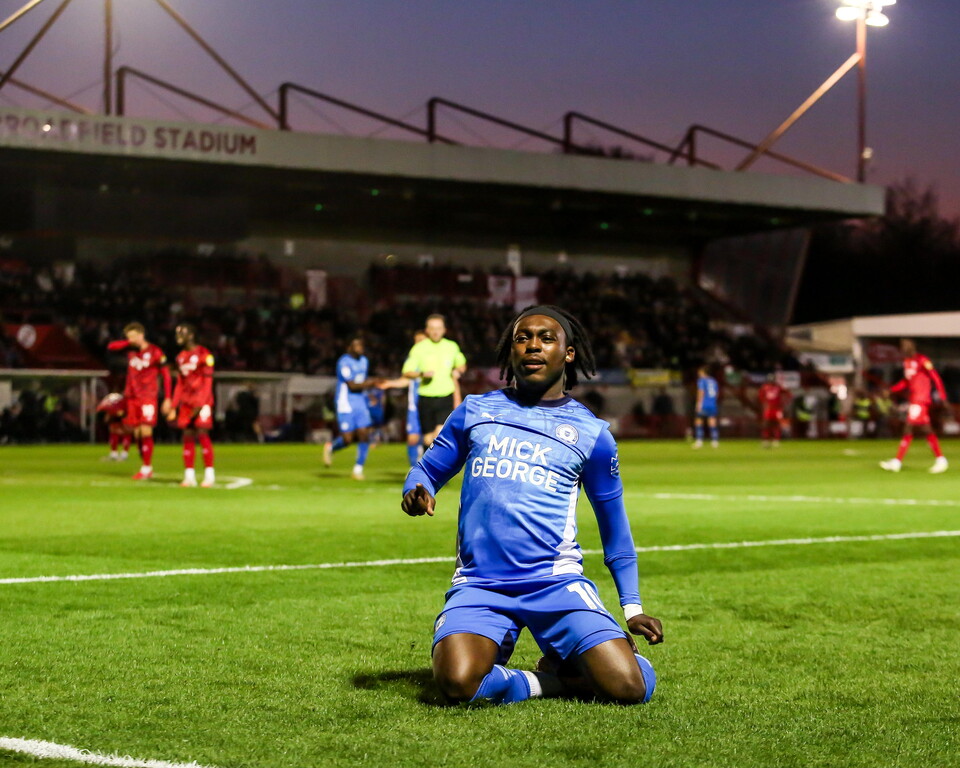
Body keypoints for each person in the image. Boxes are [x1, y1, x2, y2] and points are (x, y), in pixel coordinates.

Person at [401, 305, 663, 707]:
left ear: (568, 353)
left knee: (629, 687)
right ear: (511, 351)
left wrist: (632, 608)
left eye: (546, 338)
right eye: (523, 338)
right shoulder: (475, 410)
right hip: (480, 584)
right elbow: (427, 469)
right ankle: (558, 680)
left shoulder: (592, 434)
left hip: (555, 583)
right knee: (457, 683)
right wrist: (416, 488)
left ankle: (603, 653)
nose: (533, 346)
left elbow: (615, 527)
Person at [107, 322, 172, 480]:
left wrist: (168, 398)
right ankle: (145, 464)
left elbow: (166, 375)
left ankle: (146, 468)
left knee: (145, 430)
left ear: (142, 335)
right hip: (132, 397)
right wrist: (129, 342)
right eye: (129, 337)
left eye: (134, 336)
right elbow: (111, 346)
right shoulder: (130, 351)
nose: (132, 340)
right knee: (135, 433)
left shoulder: (155, 351)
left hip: (148, 396)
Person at [880, 339, 948, 473]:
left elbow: (935, 377)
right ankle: (940, 459)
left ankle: (897, 462)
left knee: (908, 428)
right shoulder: (906, 363)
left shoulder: (922, 360)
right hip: (915, 399)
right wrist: (891, 390)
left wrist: (942, 396)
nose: (904, 349)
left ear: (912, 347)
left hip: (921, 400)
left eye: (906, 346)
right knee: (926, 430)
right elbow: (906, 381)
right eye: (902, 347)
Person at [402, 314, 466, 448]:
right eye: (432, 328)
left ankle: (436, 465)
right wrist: (421, 374)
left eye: (438, 328)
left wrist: (458, 370)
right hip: (425, 397)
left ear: (444, 330)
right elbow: (406, 371)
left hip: (445, 396)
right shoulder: (419, 348)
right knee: (427, 439)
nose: (436, 331)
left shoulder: (451, 346)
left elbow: (461, 364)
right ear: (427, 330)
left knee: (439, 434)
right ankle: (429, 463)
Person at [164, 323, 216, 488]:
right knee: (187, 435)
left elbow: (208, 382)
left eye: (182, 333)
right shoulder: (180, 357)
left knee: (202, 433)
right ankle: (189, 476)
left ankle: (209, 475)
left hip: (202, 401)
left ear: (191, 335)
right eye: (177, 333)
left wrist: (201, 404)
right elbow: (179, 383)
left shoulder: (204, 354)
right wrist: (173, 405)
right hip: (186, 402)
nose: (178, 336)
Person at [323, 335, 381, 480]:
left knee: (364, 434)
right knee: (348, 439)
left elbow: (361, 383)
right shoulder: (344, 362)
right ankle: (331, 447)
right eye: (357, 346)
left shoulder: (364, 361)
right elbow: (352, 385)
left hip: (360, 401)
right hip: (345, 402)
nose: (360, 349)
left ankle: (358, 469)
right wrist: (372, 383)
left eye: (362, 346)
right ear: (350, 347)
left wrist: (369, 394)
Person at [379, 329, 427, 468]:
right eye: (416, 341)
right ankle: (413, 469)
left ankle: (429, 470)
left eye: (421, 340)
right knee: (412, 439)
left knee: (430, 439)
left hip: (429, 404)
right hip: (414, 406)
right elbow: (406, 381)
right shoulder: (412, 360)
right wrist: (390, 384)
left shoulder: (432, 359)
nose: (418, 343)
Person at [96, 392, 131, 461]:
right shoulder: (113, 399)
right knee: (114, 430)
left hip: (124, 414)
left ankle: (123, 454)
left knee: (126, 431)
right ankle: (114, 454)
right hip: (118, 414)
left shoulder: (123, 401)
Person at [692, 366, 720, 449]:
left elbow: (701, 392)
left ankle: (699, 441)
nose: (698, 374)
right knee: (712, 421)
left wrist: (698, 403)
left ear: (703, 372)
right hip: (712, 403)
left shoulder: (702, 381)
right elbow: (717, 393)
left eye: (700, 372)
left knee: (698, 421)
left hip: (704, 403)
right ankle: (715, 441)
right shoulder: (714, 381)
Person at [758, 374, 788, 448]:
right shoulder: (764, 387)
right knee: (766, 424)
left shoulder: (778, 387)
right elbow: (760, 397)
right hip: (769, 409)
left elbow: (788, 394)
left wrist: (783, 403)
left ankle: (776, 441)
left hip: (777, 409)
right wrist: (765, 403)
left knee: (776, 425)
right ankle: (766, 441)